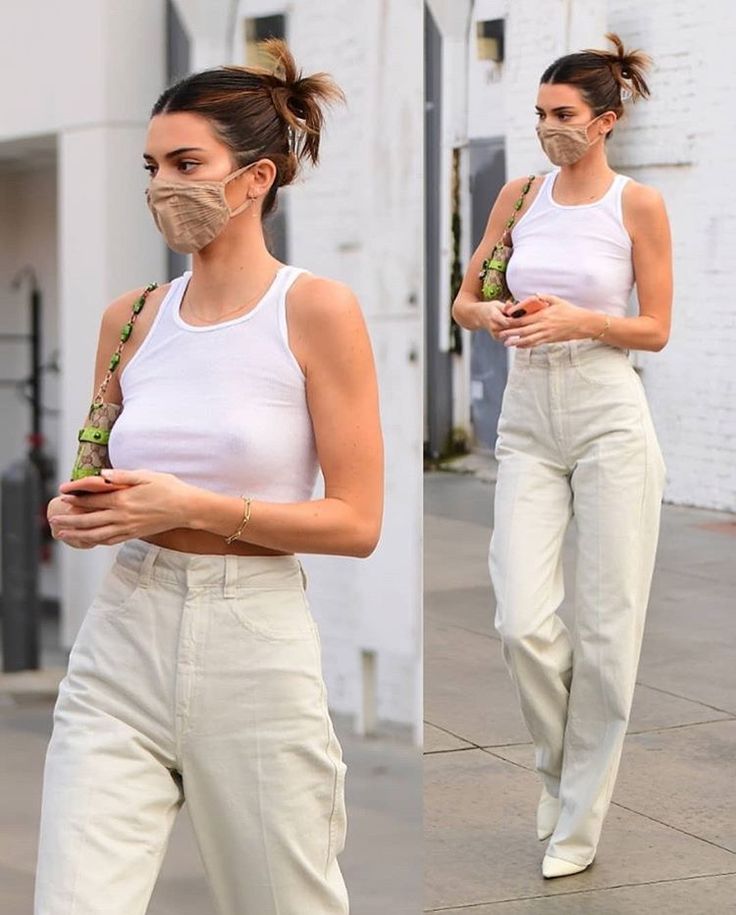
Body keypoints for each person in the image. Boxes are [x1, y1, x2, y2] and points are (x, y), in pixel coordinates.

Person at [36, 39, 383, 915]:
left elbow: (356, 522)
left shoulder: (315, 309)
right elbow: (92, 465)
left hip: (254, 644)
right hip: (122, 636)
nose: (164, 185)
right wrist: (76, 508)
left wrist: (192, 503)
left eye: (188, 163)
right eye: (152, 165)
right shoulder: (130, 319)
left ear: (255, 176)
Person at [452, 33, 671, 879]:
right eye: (540, 113)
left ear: (605, 121)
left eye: (563, 115)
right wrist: (497, 317)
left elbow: (655, 326)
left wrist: (579, 318)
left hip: (608, 409)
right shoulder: (519, 195)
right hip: (529, 413)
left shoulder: (636, 205)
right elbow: (468, 298)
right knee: (521, 620)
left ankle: (579, 815)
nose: (548, 128)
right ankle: (558, 768)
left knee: (609, 631)